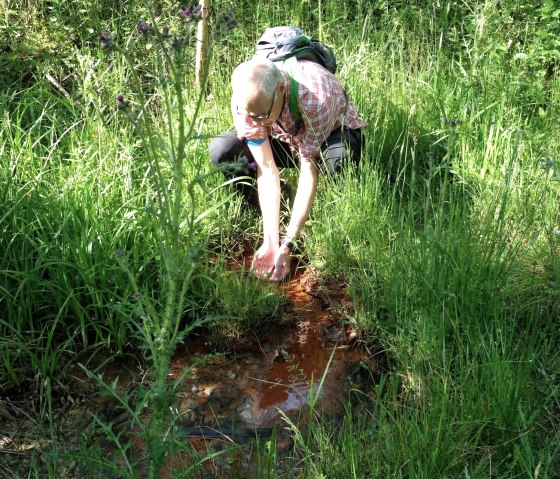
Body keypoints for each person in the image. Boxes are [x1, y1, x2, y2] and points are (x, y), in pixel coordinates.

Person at [209, 57, 365, 281]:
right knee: (222, 149)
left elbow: (307, 169)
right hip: (285, 137)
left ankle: (337, 213)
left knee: (339, 162)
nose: (255, 121)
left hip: (330, 134)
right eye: (250, 115)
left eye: (261, 116)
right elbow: (266, 168)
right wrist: (271, 242)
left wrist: (289, 242)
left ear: (281, 89)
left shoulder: (317, 97)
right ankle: (277, 211)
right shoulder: (247, 102)